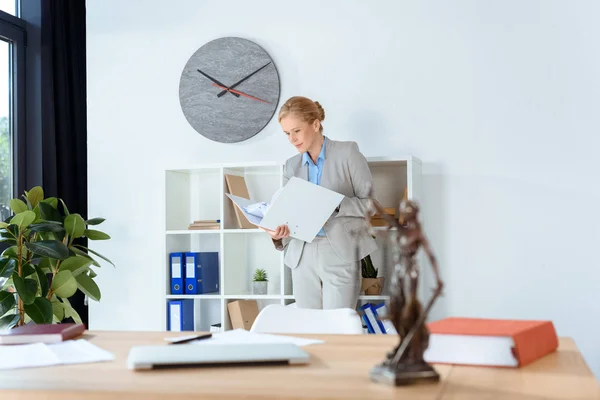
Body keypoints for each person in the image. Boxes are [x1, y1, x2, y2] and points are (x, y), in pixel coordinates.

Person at [266, 96, 377, 309]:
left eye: (296, 131)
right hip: (301, 254)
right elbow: (287, 211)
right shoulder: (291, 166)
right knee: (308, 328)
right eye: (287, 133)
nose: (292, 139)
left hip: (339, 251)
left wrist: (335, 204)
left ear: (315, 124)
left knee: (337, 327)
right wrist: (277, 231)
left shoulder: (347, 153)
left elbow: (371, 204)